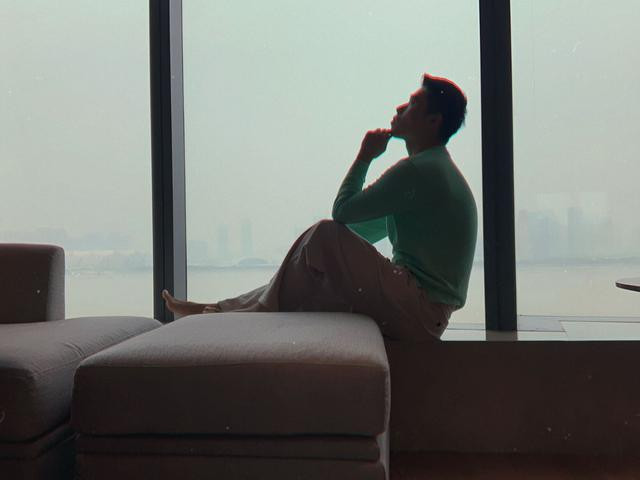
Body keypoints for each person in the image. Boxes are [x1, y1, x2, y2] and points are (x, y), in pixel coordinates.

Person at [162, 73, 477, 342]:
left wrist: (365, 156)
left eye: (412, 104)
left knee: (323, 233)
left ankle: (241, 314)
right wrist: (315, 260)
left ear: (433, 121)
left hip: (420, 309)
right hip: (425, 314)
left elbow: (342, 213)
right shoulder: (432, 171)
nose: (399, 108)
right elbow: (356, 231)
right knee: (316, 261)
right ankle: (221, 310)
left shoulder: (419, 170)